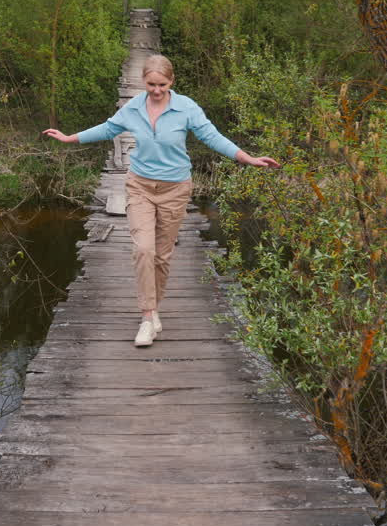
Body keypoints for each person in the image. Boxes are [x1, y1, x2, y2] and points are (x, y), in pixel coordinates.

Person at [42, 54, 279, 347]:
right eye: (151, 84)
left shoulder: (186, 108)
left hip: (175, 189)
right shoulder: (133, 108)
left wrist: (248, 158)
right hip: (139, 185)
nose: (156, 90)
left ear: (172, 81)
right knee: (143, 249)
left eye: (162, 85)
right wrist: (70, 139)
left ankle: (154, 310)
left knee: (162, 257)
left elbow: (213, 137)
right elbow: (108, 128)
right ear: (143, 81)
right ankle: (147, 316)